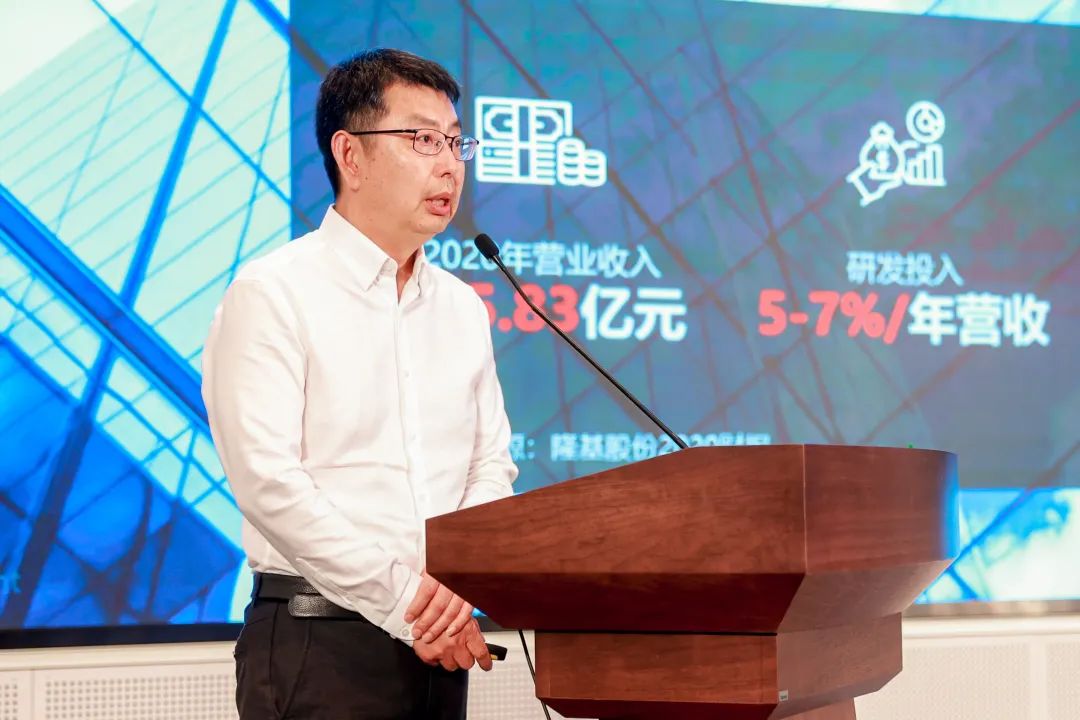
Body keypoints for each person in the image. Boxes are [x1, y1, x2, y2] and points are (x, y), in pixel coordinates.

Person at [201, 48, 518, 719]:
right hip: (319, 642)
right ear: (350, 154)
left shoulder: (462, 306)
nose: (449, 164)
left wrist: (460, 579)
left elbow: (490, 465)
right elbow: (269, 483)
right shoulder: (273, 293)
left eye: (456, 142)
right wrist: (406, 603)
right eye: (423, 140)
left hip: (439, 643)